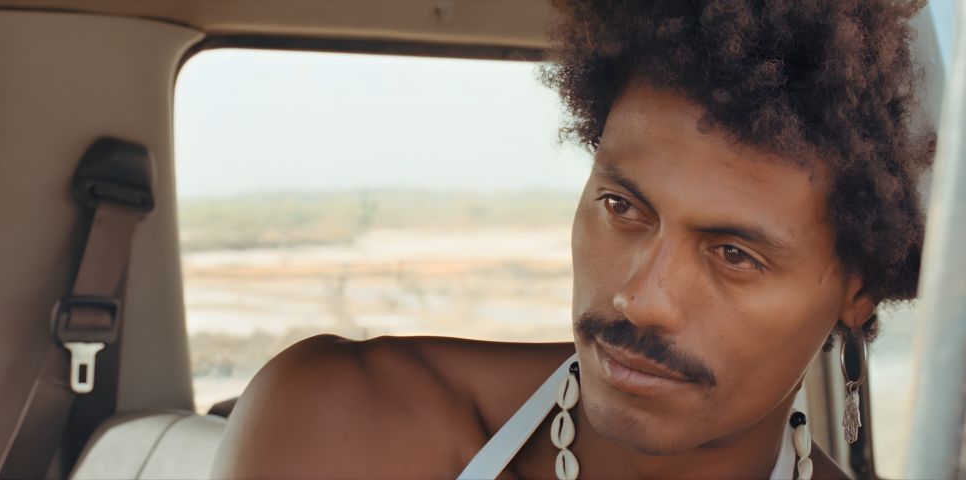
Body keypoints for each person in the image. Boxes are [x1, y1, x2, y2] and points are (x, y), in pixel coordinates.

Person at [212, 0, 935, 478]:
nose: (640, 299)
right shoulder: (348, 425)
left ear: (858, 291)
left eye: (734, 255)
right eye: (622, 207)